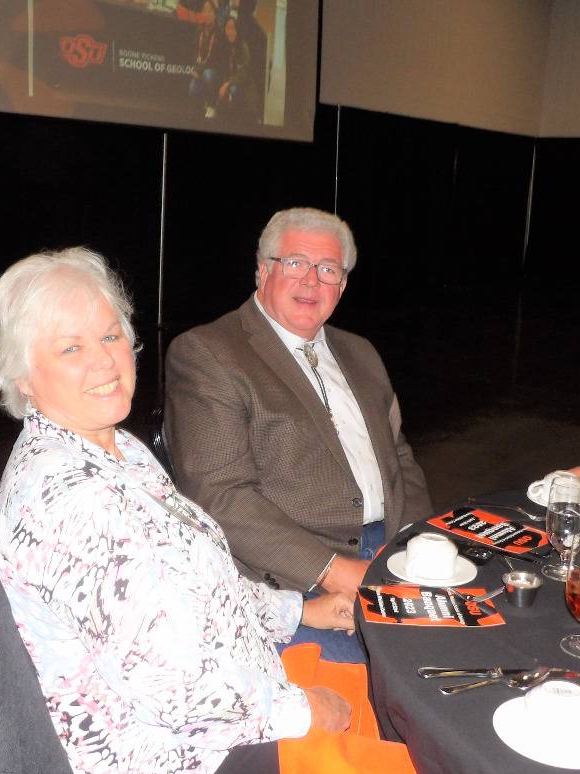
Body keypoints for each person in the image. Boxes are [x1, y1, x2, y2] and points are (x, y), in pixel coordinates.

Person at [0, 247, 457, 774]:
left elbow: (199, 582)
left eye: (111, 333)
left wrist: (299, 611)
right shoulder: (71, 500)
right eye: (70, 349)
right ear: (24, 377)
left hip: (226, 711)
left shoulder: (114, 448)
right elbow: (177, 691)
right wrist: (301, 711)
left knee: (412, 734)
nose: (104, 360)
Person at [165, 209, 431, 657]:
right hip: (292, 572)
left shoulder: (360, 352)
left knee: (474, 646)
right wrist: (332, 570)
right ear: (263, 269)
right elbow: (220, 496)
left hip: (389, 551)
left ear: (342, 285)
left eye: (328, 269)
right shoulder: (209, 353)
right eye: (295, 263)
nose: (311, 282)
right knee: (377, 688)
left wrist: (413, 541)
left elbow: (400, 457)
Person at [188, 0, 220, 116]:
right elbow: (195, 53)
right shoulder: (199, 31)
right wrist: (194, 69)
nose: (207, 14)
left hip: (214, 72)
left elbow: (216, 60)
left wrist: (199, 71)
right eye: (204, 11)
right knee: (192, 89)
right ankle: (203, 103)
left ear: (215, 14)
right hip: (201, 68)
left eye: (210, 11)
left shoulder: (219, 33)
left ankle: (213, 104)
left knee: (208, 75)